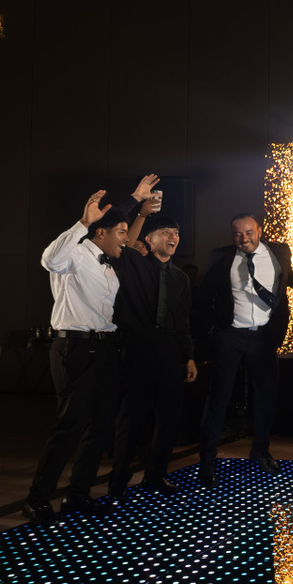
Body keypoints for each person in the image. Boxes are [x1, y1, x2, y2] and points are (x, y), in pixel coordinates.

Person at [24, 177, 157, 525]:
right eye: (121, 233)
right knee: (71, 425)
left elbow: (115, 223)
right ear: (99, 233)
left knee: (102, 425)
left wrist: (134, 199)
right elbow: (50, 260)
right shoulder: (74, 254)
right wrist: (83, 222)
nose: (127, 238)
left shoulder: (110, 259)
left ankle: (77, 495)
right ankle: (37, 499)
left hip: (106, 347)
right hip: (75, 347)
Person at [195, 212, 293, 482]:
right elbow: (203, 297)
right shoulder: (220, 256)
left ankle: (261, 451)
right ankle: (207, 462)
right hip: (230, 336)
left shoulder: (280, 251)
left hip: (265, 337)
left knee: (266, 398)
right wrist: (214, 331)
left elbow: (288, 278)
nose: (243, 238)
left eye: (249, 232)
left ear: (260, 231)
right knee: (218, 400)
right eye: (237, 234)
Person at [107, 197, 196, 499]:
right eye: (166, 232)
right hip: (137, 346)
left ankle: (155, 476)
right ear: (149, 239)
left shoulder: (181, 278)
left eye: (176, 233)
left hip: (169, 350)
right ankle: (118, 480)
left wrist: (189, 356)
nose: (173, 237)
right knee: (131, 417)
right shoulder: (135, 264)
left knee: (170, 416)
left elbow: (183, 322)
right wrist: (143, 214)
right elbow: (124, 245)